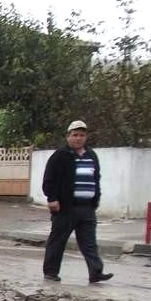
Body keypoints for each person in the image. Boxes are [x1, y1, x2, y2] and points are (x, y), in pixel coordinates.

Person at [41, 120, 112, 284]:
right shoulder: (60, 155)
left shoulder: (91, 155)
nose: (78, 138)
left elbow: (96, 178)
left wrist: (96, 199)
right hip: (65, 208)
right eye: (75, 135)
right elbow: (49, 179)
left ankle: (96, 272)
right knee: (57, 241)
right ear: (68, 137)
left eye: (82, 135)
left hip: (86, 208)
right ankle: (51, 272)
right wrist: (52, 198)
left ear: (86, 137)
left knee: (89, 243)